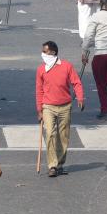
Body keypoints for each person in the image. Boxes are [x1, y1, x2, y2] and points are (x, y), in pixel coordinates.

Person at [35, 41, 84, 177]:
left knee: (63, 136)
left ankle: (60, 163)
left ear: (53, 53)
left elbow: (76, 82)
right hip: (48, 107)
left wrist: (80, 98)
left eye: (45, 51)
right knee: (50, 133)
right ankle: (52, 165)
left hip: (65, 106)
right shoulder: (41, 70)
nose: (43, 54)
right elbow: (39, 90)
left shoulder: (66, 66)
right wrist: (39, 110)